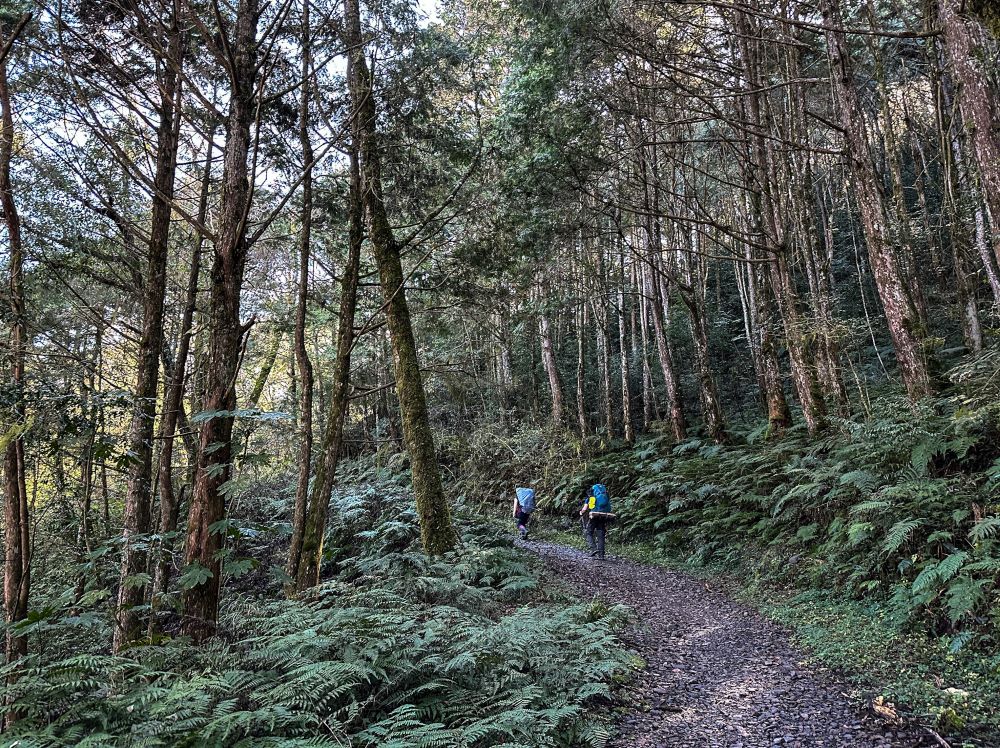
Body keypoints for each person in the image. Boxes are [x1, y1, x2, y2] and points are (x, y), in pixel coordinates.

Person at [580, 483, 613, 559]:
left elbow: (584, 509)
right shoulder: (605, 495)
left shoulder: (590, 496)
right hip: (604, 515)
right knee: (601, 533)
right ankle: (601, 555)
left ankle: (593, 549)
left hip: (595, 515)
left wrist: (581, 512)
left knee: (589, 532)